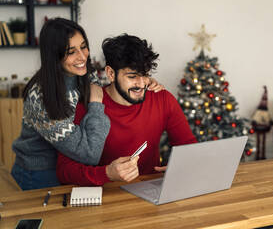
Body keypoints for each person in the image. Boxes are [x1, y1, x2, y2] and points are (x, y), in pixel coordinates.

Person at [11, 18, 163, 190]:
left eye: (83, 46)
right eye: (71, 51)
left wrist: (141, 80)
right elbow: (89, 154)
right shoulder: (41, 98)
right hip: (40, 175)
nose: (82, 56)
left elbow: (116, 81)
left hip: (69, 169)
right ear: (55, 55)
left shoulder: (84, 75)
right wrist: (96, 107)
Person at [57, 34, 197, 186]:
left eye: (145, 75)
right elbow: (64, 171)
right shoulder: (88, 105)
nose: (141, 84)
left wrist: (180, 168)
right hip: (107, 195)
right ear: (111, 74)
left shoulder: (162, 99)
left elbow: (188, 146)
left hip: (151, 191)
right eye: (132, 76)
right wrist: (107, 173)